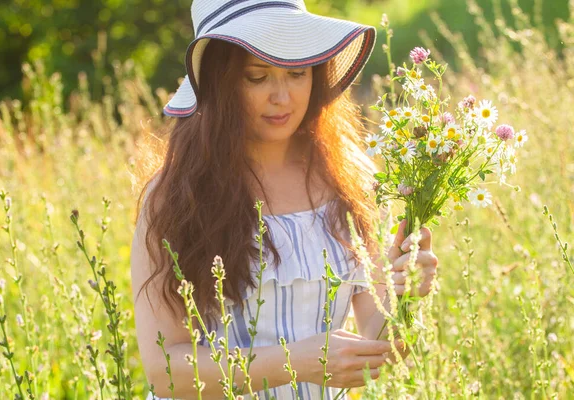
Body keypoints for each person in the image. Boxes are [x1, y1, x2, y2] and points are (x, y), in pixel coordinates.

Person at [130, 1, 439, 399]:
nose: (282, 97)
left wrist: (406, 290)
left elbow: (384, 349)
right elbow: (164, 369)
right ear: (219, 83)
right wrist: (297, 362)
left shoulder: (352, 179)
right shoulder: (175, 196)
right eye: (257, 77)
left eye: (297, 72)